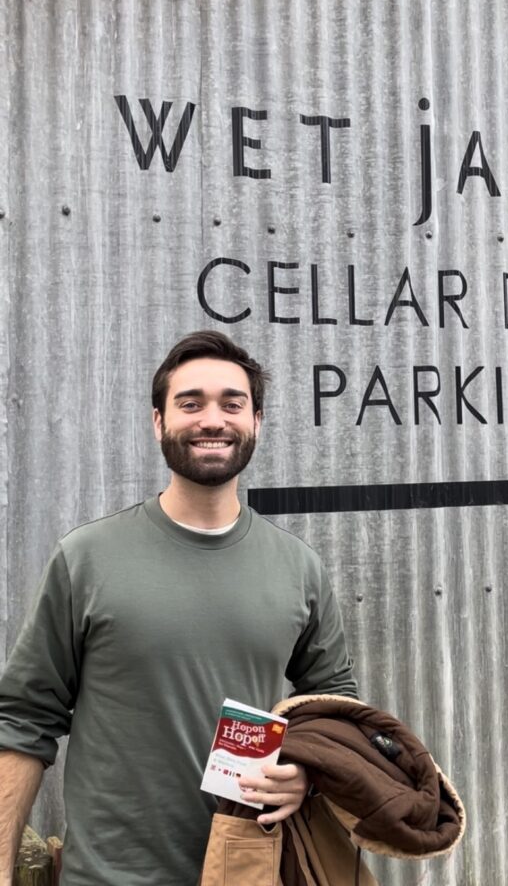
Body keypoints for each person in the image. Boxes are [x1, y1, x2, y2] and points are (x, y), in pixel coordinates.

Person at [0, 331, 357, 886]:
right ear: (158, 422)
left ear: (256, 422)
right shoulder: (87, 558)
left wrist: (307, 770)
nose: (212, 420)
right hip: (110, 877)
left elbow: (337, 705)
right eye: (190, 403)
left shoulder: (298, 567)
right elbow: (23, 720)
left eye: (231, 404)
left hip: (246, 871)